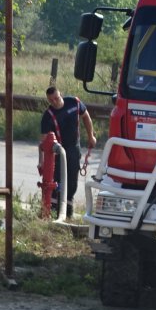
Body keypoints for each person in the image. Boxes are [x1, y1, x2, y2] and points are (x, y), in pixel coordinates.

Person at [41, 86, 97, 216]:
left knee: (72, 182)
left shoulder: (74, 103)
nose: (54, 102)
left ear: (60, 94)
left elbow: (86, 117)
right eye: (51, 101)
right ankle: (54, 211)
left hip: (73, 149)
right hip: (58, 152)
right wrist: (42, 161)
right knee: (57, 183)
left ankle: (68, 212)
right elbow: (43, 142)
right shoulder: (48, 116)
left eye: (56, 98)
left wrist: (91, 136)